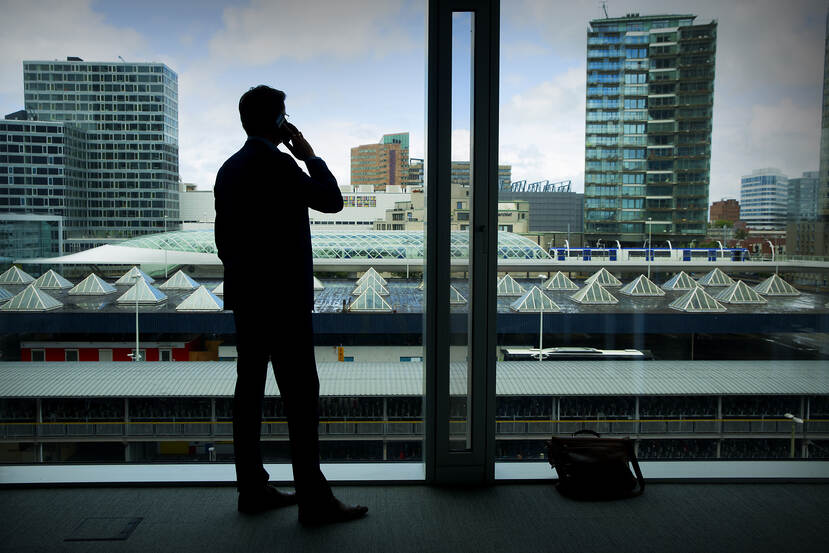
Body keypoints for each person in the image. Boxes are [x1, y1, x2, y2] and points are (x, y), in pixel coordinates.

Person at [214, 85, 368, 525]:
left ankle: (252, 489)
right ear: (279, 122)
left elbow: (224, 242)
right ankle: (314, 501)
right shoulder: (280, 165)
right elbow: (332, 201)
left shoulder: (228, 170)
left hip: (248, 301)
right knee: (301, 400)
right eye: (284, 115)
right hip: (285, 303)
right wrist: (310, 155)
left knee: (249, 395)